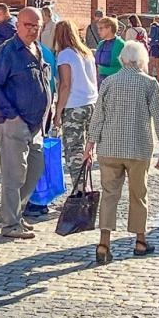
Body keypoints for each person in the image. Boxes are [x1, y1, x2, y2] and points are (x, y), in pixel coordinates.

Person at [83, 40, 159, 264]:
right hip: (138, 148)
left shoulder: (109, 82)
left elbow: (98, 116)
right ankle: (140, 241)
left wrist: (90, 144)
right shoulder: (149, 83)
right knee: (138, 194)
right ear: (141, 60)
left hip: (109, 148)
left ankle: (104, 244)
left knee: (109, 195)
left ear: (122, 59)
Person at [0, 6, 51, 240]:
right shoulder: (8, 51)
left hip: (36, 124)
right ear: (18, 25)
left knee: (35, 169)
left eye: (36, 26)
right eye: (27, 25)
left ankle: (12, 213)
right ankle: (10, 224)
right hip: (14, 122)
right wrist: (11, 114)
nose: (32, 30)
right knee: (14, 175)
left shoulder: (37, 49)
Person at [53, 19, 99, 196]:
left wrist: (58, 112)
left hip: (74, 105)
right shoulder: (86, 52)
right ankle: (86, 184)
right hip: (91, 103)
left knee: (73, 149)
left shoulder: (65, 55)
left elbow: (66, 84)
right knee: (87, 149)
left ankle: (79, 190)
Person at [93, 16, 124, 82]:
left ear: (109, 28)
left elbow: (125, 68)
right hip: (99, 81)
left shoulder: (120, 44)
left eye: (101, 28)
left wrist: (102, 69)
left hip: (114, 82)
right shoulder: (101, 44)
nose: (98, 31)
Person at [147, 16, 159, 80]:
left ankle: (149, 78)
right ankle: (158, 79)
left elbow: (151, 35)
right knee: (158, 64)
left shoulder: (153, 27)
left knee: (151, 63)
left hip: (153, 46)